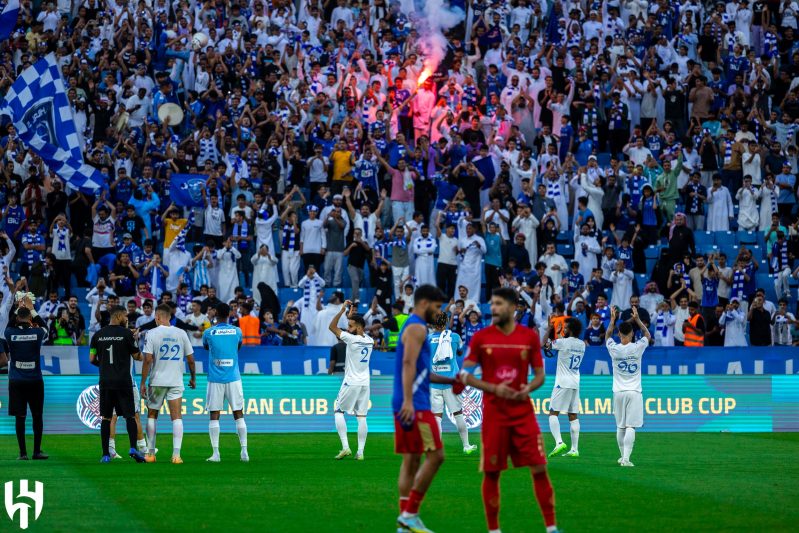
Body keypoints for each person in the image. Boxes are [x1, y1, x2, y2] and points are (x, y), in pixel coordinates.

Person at [458, 288, 559, 533]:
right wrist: (493, 388)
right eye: (492, 304)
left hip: (523, 412)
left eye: (499, 304)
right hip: (494, 415)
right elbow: (464, 375)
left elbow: (540, 376)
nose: (493, 308)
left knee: (539, 468)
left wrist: (527, 389)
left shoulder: (529, 337)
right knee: (492, 473)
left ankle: (551, 528)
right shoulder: (481, 338)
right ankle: (494, 530)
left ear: (514, 307)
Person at [393, 284, 462, 533]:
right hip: (416, 404)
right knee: (437, 456)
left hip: (408, 400)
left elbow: (423, 371)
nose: (439, 311)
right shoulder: (416, 328)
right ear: (424, 303)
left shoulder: (413, 326)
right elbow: (408, 363)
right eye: (437, 306)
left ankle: (404, 521)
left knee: (411, 461)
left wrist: (451, 380)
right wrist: (410, 401)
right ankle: (411, 513)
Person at [140, 304, 196, 464]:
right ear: (170, 317)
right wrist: (193, 378)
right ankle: (176, 455)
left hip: (157, 381)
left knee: (152, 415)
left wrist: (143, 382)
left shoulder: (152, 333)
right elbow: (191, 360)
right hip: (176, 381)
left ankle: (150, 454)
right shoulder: (181, 333)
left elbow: (148, 359)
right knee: (176, 417)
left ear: (157, 317)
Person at [89, 306, 146, 463]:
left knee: (106, 418)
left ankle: (106, 454)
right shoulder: (126, 334)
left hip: (106, 382)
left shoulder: (98, 335)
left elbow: (91, 359)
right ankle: (133, 447)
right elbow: (137, 357)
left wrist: (103, 366)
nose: (127, 319)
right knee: (129, 416)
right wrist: (139, 347)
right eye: (125, 316)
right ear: (119, 315)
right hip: (123, 381)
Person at [605, 306, 651, 467]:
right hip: (634, 392)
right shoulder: (638, 347)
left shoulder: (614, 348)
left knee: (620, 425)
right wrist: (637, 319)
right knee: (631, 426)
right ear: (632, 334)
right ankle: (626, 458)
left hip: (618, 392)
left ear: (619, 334)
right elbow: (647, 334)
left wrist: (612, 320)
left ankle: (622, 456)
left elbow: (607, 335)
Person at [202, 303, 248, 463]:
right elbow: (238, 347)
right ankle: (244, 451)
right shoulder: (237, 331)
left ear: (215, 313)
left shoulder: (208, 332)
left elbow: (206, 347)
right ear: (229, 314)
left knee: (214, 415)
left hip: (215, 378)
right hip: (233, 378)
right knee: (238, 413)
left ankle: (216, 454)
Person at [329, 301, 373, 461]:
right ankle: (360, 452)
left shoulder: (351, 339)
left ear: (359, 327)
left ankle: (346, 447)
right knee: (361, 417)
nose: (348, 328)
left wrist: (341, 311)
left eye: (350, 326)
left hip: (351, 382)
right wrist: (351, 315)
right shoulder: (370, 341)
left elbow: (332, 327)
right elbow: (353, 326)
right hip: (365, 383)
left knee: (338, 411)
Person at [428, 311, 477, 455]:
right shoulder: (454, 337)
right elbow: (460, 352)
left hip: (434, 383)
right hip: (451, 383)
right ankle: (466, 445)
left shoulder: (427, 339)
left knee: (437, 417)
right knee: (458, 414)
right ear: (447, 321)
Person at [6, 305, 49, 460]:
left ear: (17, 318)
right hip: (35, 380)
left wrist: (19, 307)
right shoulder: (37, 333)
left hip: (17, 381)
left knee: (20, 417)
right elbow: (45, 327)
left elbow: (8, 324)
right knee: (37, 416)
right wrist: (32, 309)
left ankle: (23, 453)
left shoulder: (10, 333)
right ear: (30, 318)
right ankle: (37, 451)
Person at [544, 317, 584, 458]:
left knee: (553, 413)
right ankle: (574, 449)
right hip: (575, 382)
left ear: (571, 329)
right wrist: (560, 334)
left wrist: (550, 328)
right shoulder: (582, 344)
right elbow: (565, 344)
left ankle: (559, 442)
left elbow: (545, 345)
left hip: (562, 382)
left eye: (566, 327)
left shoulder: (562, 342)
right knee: (572, 415)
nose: (563, 329)